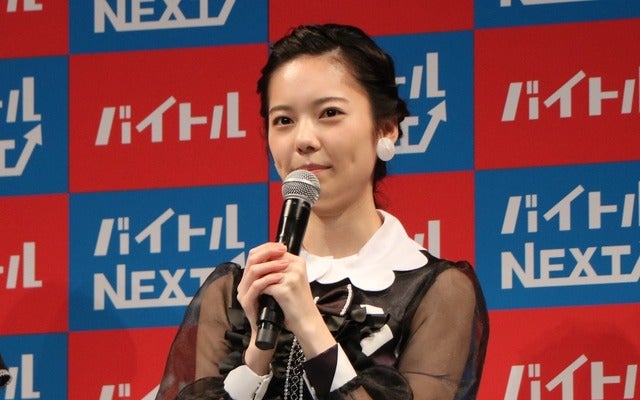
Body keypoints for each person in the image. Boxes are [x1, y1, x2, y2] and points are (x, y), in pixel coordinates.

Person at [155, 23, 488, 400]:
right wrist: (257, 357)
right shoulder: (232, 291)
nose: (303, 140)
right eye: (284, 120)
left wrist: (309, 326)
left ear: (386, 129)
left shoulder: (437, 292)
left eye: (329, 113)